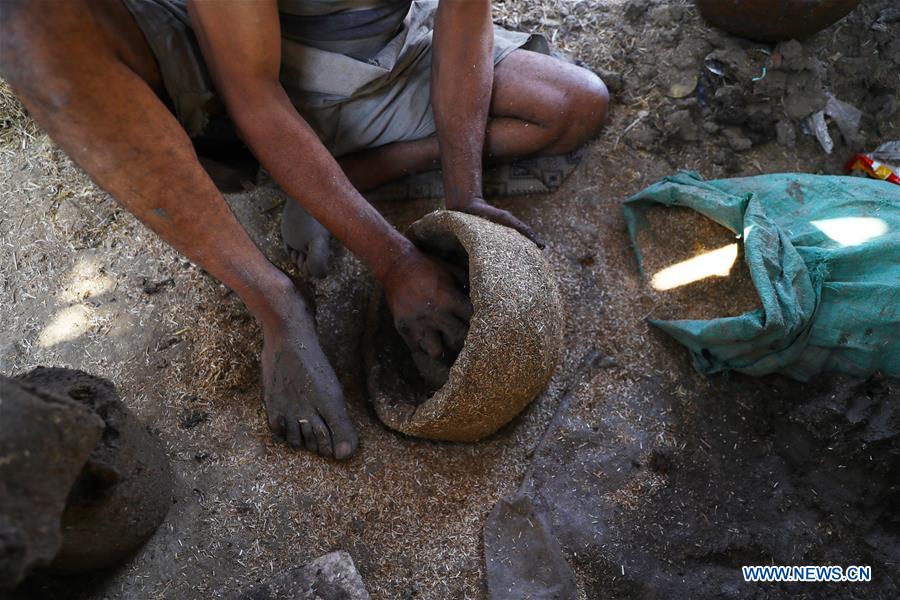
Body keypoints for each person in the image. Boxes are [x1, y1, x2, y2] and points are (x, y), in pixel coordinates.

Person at [0, 0, 609, 460]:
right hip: (228, 73)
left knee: (573, 102)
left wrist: (463, 190)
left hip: (378, 54)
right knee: (31, 29)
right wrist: (393, 260)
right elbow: (254, 92)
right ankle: (275, 301)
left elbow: (463, 20)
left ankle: (341, 176)